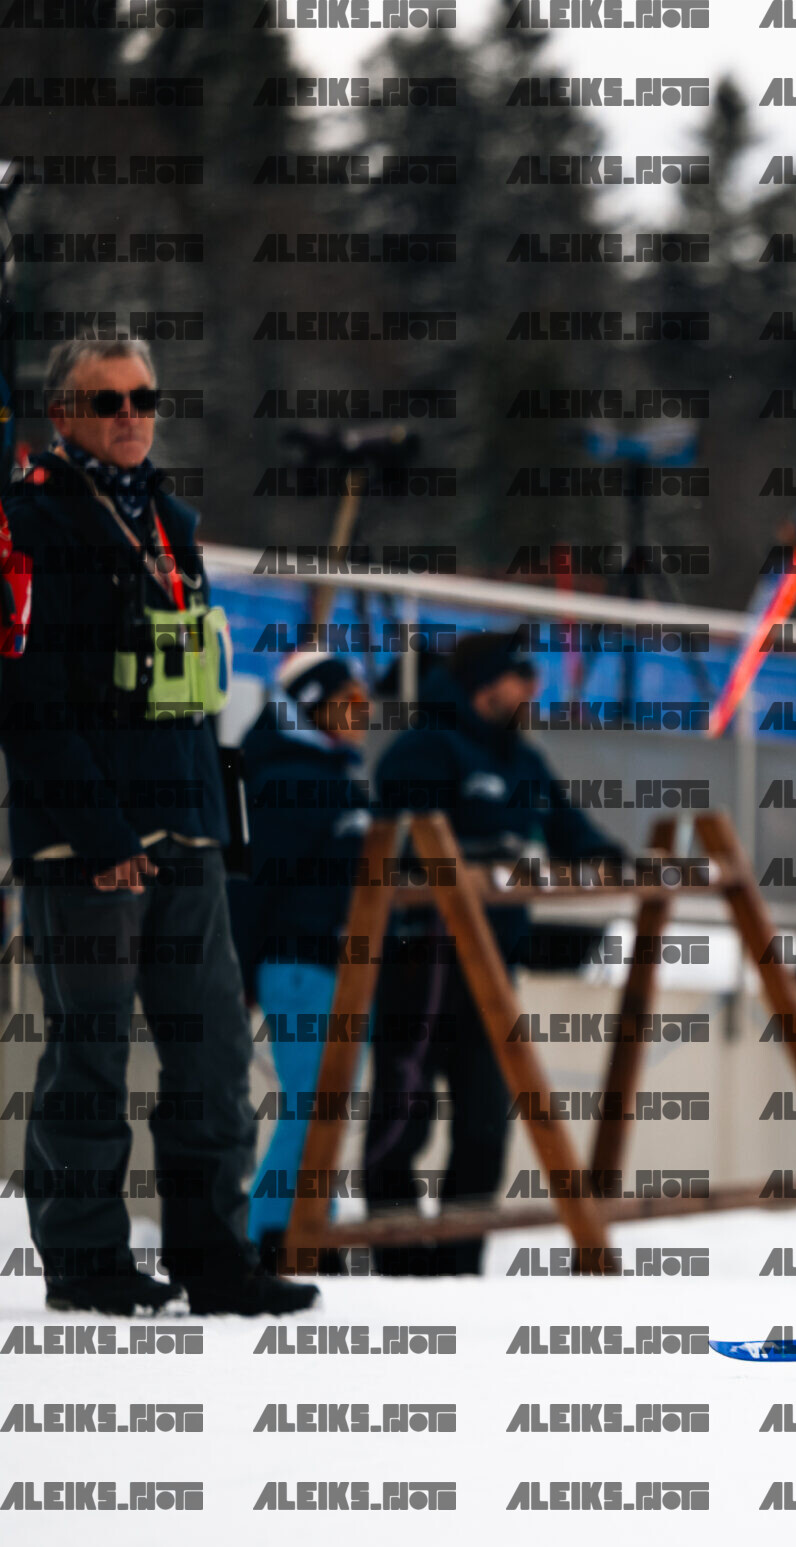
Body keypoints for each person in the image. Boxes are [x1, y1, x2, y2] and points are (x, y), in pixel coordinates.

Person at [0, 336, 315, 1315]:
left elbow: (193, 686)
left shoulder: (171, 522)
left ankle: (216, 1260)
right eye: (106, 401)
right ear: (63, 414)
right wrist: (100, 838)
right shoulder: (29, 519)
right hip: (86, 843)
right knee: (91, 1052)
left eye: (144, 396)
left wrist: (220, 825)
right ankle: (86, 1260)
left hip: (187, 825)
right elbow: (25, 701)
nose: (130, 415)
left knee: (215, 1053)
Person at [363, 627, 622, 1274]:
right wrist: (482, 860)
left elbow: (567, 827)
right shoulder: (424, 747)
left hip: (494, 966)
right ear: (485, 685)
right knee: (403, 1116)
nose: (534, 689)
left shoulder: (521, 759)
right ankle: (397, 1263)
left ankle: (459, 1263)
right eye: (522, 676)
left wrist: (602, 855)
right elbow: (404, 842)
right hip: (423, 961)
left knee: (485, 1122)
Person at [228, 652, 375, 1271]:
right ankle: (270, 1234)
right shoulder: (285, 781)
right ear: (314, 705)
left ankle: (312, 1227)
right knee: (312, 1104)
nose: (364, 713)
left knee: (328, 1106)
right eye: (351, 701)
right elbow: (251, 887)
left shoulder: (338, 778)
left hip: (341, 970)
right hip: (297, 965)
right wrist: (238, 976)